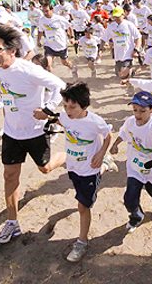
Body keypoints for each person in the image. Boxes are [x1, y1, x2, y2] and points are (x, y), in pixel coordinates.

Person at [0, 25, 66, 244]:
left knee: (45, 168)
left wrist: (47, 109)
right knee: (10, 176)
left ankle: (68, 156)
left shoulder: (28, 69)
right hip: (11, 132)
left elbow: (60, 85)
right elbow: (10, 94)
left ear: (12, 51)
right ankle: (12, 223)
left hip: (35, 131)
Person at [58, 82, 114, 262]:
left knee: (83, 206)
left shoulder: (95, 121)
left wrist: (101, 152)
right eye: (65, 106)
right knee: (80, 197)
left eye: (72, 107)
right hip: (73, 167)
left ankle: (82, 242)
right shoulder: (65, 117)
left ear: (84, 105)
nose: (68, 110)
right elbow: (57, 119)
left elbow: (108, 136)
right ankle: (105, 164)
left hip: (89, 169)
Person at [109, 91, 152, 233]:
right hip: (135, 167)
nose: (138, 114)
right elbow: (123, 133)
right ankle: (136, 217)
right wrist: (116, 144)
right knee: (129, 197)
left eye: (143, 111)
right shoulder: (130, 122)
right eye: (135, 110)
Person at [37, 3, 78, 78]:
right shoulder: (42, 20)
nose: (45, 13)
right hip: (49, 45)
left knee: (65, 62)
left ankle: (73, 68)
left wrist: (72, 37)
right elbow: (40, 31)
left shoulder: (59, 18)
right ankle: (49, 83)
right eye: (43, 11)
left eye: (47, 11)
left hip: (61, 45)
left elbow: (69, 26)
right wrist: (38, 41)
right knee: (47, 64)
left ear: (52, 10)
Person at [104, 7, 142, 79]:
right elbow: (104, 38)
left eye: (118, 16)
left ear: (123, 15)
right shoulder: (111, 26)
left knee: (123, 73)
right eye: (115, 16)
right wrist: (101, 48)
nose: (116, 18)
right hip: (118, 54)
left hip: (128, 53)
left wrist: (136, 49)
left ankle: (129, 81)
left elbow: (138, 37)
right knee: (119, 74)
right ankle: (132, 73)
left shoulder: (129, 24)